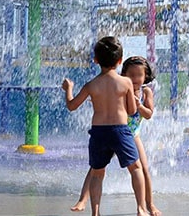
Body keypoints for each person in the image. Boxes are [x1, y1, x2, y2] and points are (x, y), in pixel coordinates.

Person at [62, 36, 149, 216]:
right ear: (119, 61)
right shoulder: (125, 82)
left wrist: (68, 89)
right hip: (120, 130)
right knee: (136, 168)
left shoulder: (91, 85)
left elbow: (71, 106)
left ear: (95, 60)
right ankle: (141, 208)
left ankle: (95, 212)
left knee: (97, 173)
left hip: (99, 133)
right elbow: (132, 111)